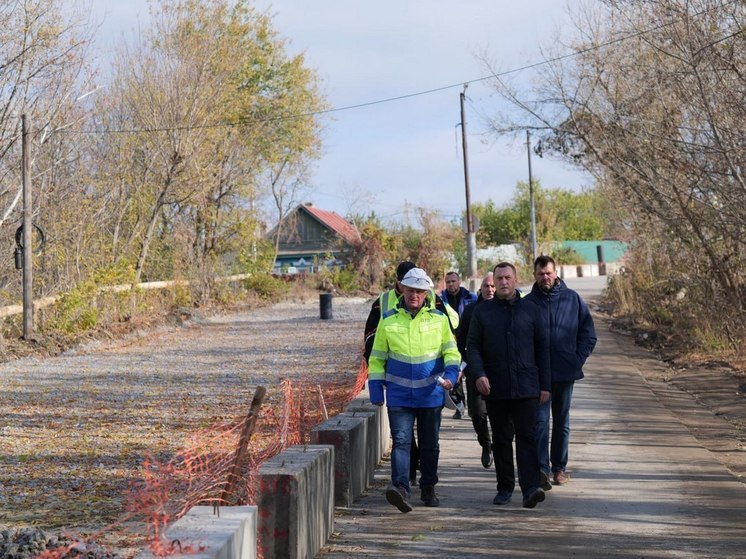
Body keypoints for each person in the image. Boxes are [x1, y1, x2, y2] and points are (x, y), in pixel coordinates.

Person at [368, 267, 461, 513]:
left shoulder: (439, 320)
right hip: (399, 396)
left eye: (419, 291)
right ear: (403, 290)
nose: (414, 295)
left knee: (430, 445)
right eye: (410, 290)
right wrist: (376, 390)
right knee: (401, 442)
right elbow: (377, 358)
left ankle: (428, 487)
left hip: (430, 395)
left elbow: (452, 353)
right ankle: (400, 488)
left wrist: (451, 376)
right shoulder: (388, 321)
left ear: (426, 293)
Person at [467, 262, 550, 509]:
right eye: (499, 278)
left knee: (527, 437)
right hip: (496, 387)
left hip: (527, 386)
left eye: (508, 278)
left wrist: (545, 385)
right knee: (502, 440)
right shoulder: (483, 313)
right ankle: (504, 488)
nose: (503, 282)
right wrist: (479, 375)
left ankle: (530, 489)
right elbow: (473, 347)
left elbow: (543, 349)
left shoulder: (532, 310)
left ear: (516, 280)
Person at [526, 255, 597, 487]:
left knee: (561, 422)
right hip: (538, 376)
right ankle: (542, 469)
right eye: (540, 274)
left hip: (565, 373)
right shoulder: (528, 303)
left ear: (556, 273)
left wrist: (576, 361)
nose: (545, 277)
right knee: (540, 422)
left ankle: (559, 468)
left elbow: (588, 334)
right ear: (534, 275)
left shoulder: (572, 299)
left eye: (548, 273)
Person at [456, 272, 496, 469]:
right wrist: (464, 365)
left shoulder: (507, 308)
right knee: (478, 412)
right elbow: (461, 341)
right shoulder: (471, 311)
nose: (490, 290)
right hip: (475, 370)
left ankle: (499, 444)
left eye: (493, 286)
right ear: (481, 289)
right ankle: (486, 443)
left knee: (503, 415)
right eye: (486, 286)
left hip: (500, 371)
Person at [440, 271, 477, 419]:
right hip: (449, 342)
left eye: (453, 281)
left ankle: (472, 404)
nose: (451, 284)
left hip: (467, 342)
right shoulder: (440, 300)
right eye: (448, 282)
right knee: (454, 375)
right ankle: (459, 404)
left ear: (459, 281)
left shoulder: (470, 298)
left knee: (468, 374)